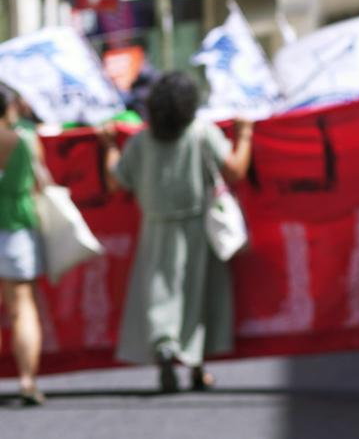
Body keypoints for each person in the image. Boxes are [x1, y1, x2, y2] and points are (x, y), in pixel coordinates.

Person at [101, 73, 253, 394]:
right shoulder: (202, 132)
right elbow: (235, 169)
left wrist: (110, 146)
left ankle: (165, 347)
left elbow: (116, 180)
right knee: (198, 295)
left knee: (161, 293)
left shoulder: (141, 141)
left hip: (154, 229)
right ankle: (196, 366)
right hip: (197, 227)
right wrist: (245, 135)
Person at [0, 87, 45, 406]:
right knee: (22, 305)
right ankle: (27, 381)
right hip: (17, 225)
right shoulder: (26, 138)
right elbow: (41, 181)